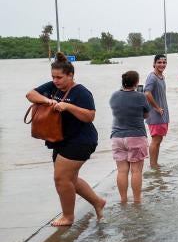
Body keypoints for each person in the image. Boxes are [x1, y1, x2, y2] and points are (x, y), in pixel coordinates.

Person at [25, 52, 106, 226]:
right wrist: (48, 101)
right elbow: (30, 94)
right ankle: (98, 202)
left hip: (81, 140)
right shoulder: (52, 87)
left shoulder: (82, 92)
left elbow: (90, 116)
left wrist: (68, 106)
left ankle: (68, 217)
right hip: (59, 139)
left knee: (61, 179)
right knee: (71, 180)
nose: (56, 81)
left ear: (70, 75)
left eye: (59, 77)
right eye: (53, 77)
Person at [109, 71, 150, 203]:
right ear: (137, 83)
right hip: (136, 136)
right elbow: (145, 115)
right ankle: (137, 201)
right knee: (136, 171)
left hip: (117, 137)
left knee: (121, 171)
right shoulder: (140, 96)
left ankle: (123, 200)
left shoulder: (114, 95)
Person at [144, 54, 169, 168]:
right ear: (154, 64)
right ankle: (153, 165)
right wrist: (157, 107)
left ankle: (155, 164)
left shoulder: (161, 76)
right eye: (159, 62)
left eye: (164, 62)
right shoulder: (152, 77)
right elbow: (147, 93)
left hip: (162, 114)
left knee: (158, 140)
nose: (162, 64)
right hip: (155, 114)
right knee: (155, 140)